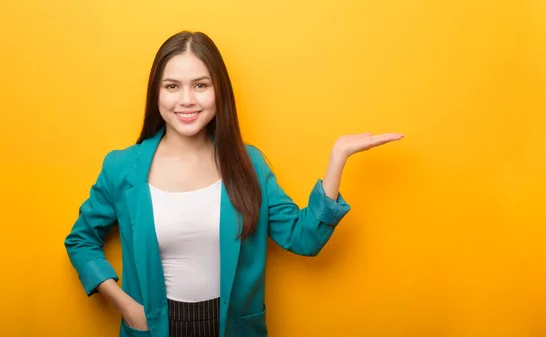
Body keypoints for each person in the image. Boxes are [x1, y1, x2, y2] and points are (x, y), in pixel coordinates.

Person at [64, 30, 403, 337]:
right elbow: (81, 240)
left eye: (201, 85)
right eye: (172, 86)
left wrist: (338, 157)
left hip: (235, 328)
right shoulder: (122, 167)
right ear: (156, 93)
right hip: (153, 328)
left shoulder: (248, 164)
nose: (186, 100)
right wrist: (124, 304)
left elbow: (304, 238)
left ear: (218, 91)